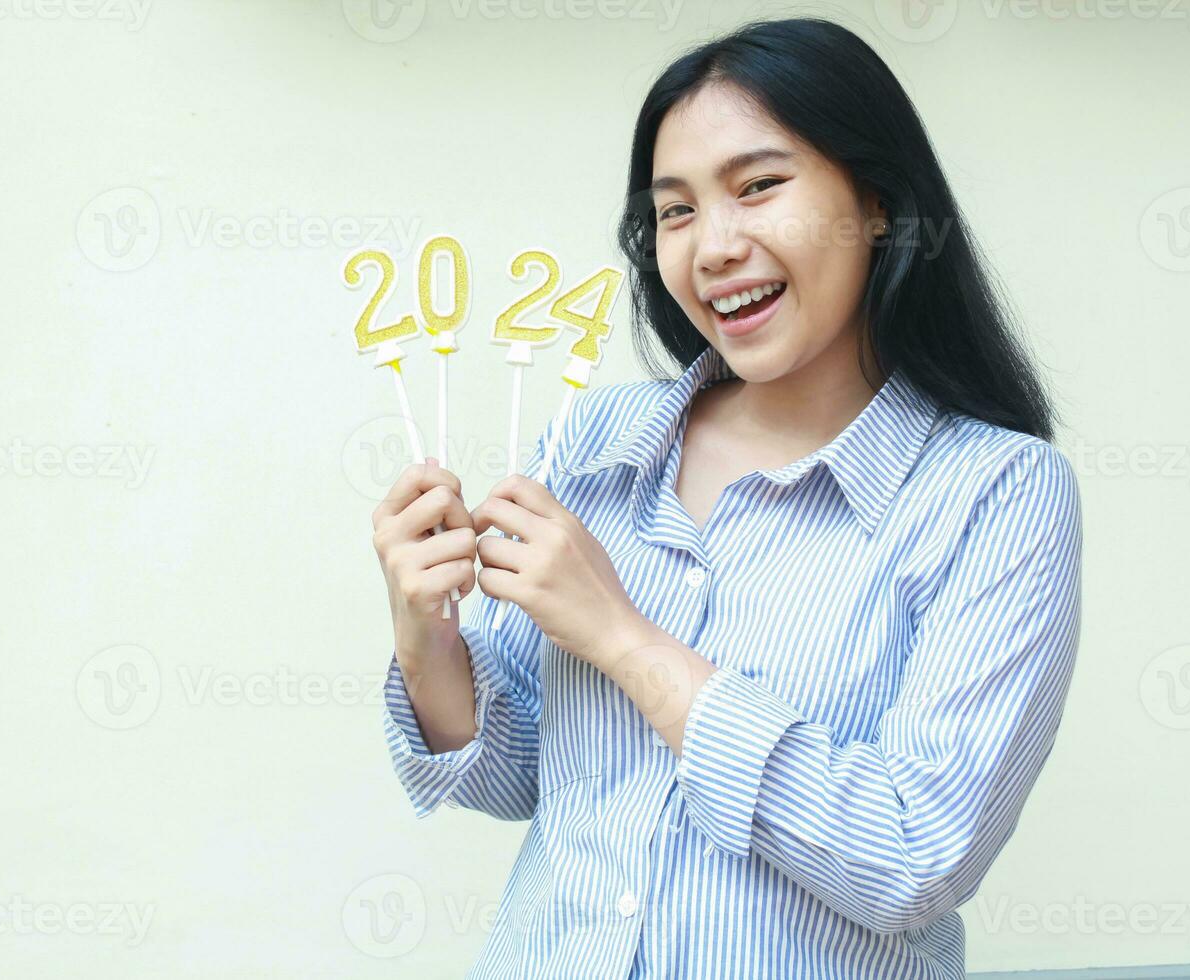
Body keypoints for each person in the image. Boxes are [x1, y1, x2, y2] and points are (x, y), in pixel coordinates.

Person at [373, 17, 1082, 979]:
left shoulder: (996, 494)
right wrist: (426, 632)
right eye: (674, 211)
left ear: (876, 202)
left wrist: (624, 638)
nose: (713, 247)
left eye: (758, 187)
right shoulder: (594, 442)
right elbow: (515, 775)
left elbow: (917, 857)